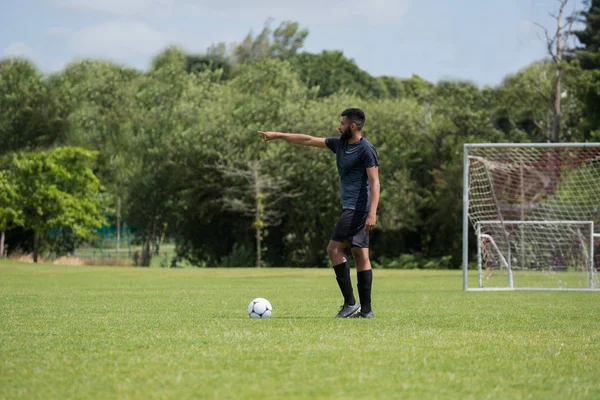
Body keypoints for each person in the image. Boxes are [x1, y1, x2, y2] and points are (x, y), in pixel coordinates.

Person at [258, 108, 380, 318]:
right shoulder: (339, 143)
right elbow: (307, 140)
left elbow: (375, 182)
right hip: (351, 208)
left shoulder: (366, 149)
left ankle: (351, 304)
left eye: (342, 123)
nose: (338, 126)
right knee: (360, 255)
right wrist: (278, 135)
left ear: (353, 125)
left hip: (357, 208)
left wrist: (372, 213)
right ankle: (366, 311)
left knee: (333, 250)